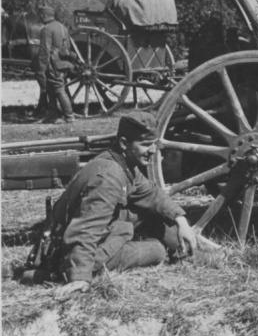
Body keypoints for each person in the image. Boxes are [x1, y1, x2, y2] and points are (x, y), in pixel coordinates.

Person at [46, 111, 198, 298]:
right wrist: (79, 277)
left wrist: (180, 220)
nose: (152, 150)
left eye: (154, 144)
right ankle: (172, 252)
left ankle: (196, 251)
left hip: (106, 232)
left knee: (157, 219)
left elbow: (152, 194)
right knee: (156, 250)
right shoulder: (108, 176)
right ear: (124, 143)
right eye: (145, 145)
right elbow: (85, 229)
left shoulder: (123, 164)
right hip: (70, 254)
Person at [36, 5, 75, 123]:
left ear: (44, 15)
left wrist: (41, 68)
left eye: (41, 15)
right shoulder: (62, 27)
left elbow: (44, 50)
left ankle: (69, 116)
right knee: (51, 88)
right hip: (63, 62)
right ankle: (53, 115)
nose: (40, 17)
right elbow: (67, 47)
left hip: (53, 64)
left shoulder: (46, 29)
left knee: (58, 89)